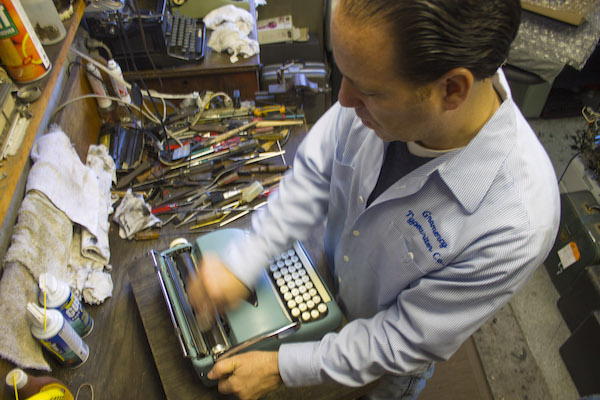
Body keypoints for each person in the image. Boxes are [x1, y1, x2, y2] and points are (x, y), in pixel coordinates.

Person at [187, 0, 561, 399]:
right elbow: (317, 170)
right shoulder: (381, 81)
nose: (343, 101)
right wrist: (247, 258)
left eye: (368, 90)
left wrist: (284, 367)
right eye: (344, 75)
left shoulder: (517, 223)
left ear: (451, 90)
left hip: (382, 369)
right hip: (326, 289)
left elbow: (403, 339)